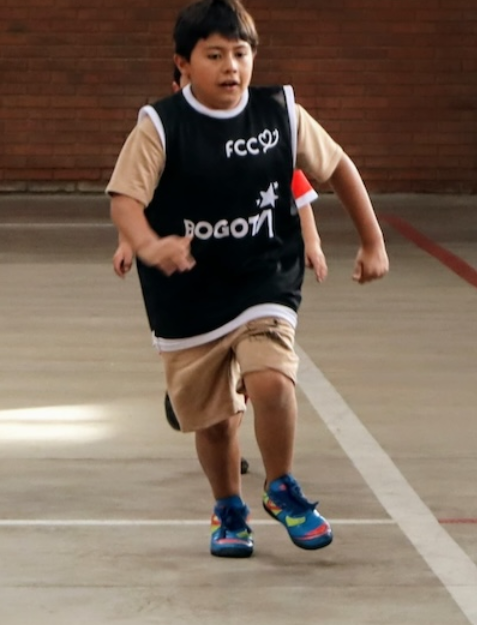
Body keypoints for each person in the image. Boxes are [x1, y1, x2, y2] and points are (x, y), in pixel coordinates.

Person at [107, 0, 388, 558]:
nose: (230, 67)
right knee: (214, 424)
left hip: (264, 276)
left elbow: (338, 167)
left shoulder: (280, 112)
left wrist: (372, 240)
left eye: (240, 53)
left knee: (272, 382)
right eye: (214, 55)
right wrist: (148, 244)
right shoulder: (160, 126)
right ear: (183, 63)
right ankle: (229, 509)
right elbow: (125, 199)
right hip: (187, 292)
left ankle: (281, 487)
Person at [114, 66, 329, 477]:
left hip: (250, 274)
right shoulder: (166, 136)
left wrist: (313, 243)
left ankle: (259, 456)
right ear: (179, 82)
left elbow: (297, 195)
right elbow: (135, 204)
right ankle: (217, 425)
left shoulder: (260, 137)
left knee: (261, 368)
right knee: (216, 398)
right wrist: (132, 244)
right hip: (192, 283)